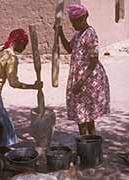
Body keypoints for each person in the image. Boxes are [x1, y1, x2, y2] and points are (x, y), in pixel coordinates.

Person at [0, 28, 43, 146]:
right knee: (1, 124)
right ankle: (3, 153)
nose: (24, 48)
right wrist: (33, 86)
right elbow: (13, 83)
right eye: (24, 45)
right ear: (19, 42)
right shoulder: (11, 57)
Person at [56, 4, 110, 135]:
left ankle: (87, 145)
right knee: (85, 116)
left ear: (84, 18)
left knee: (85, 116)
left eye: (75, 22)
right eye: (72, 22)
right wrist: (60, 33)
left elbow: (93, 61)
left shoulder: (90, 34)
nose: (73, 25)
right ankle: (89, 145)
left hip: (88, 80)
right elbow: (69, 49)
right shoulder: (79, 33)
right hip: (80, 77)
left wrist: (81, 82)